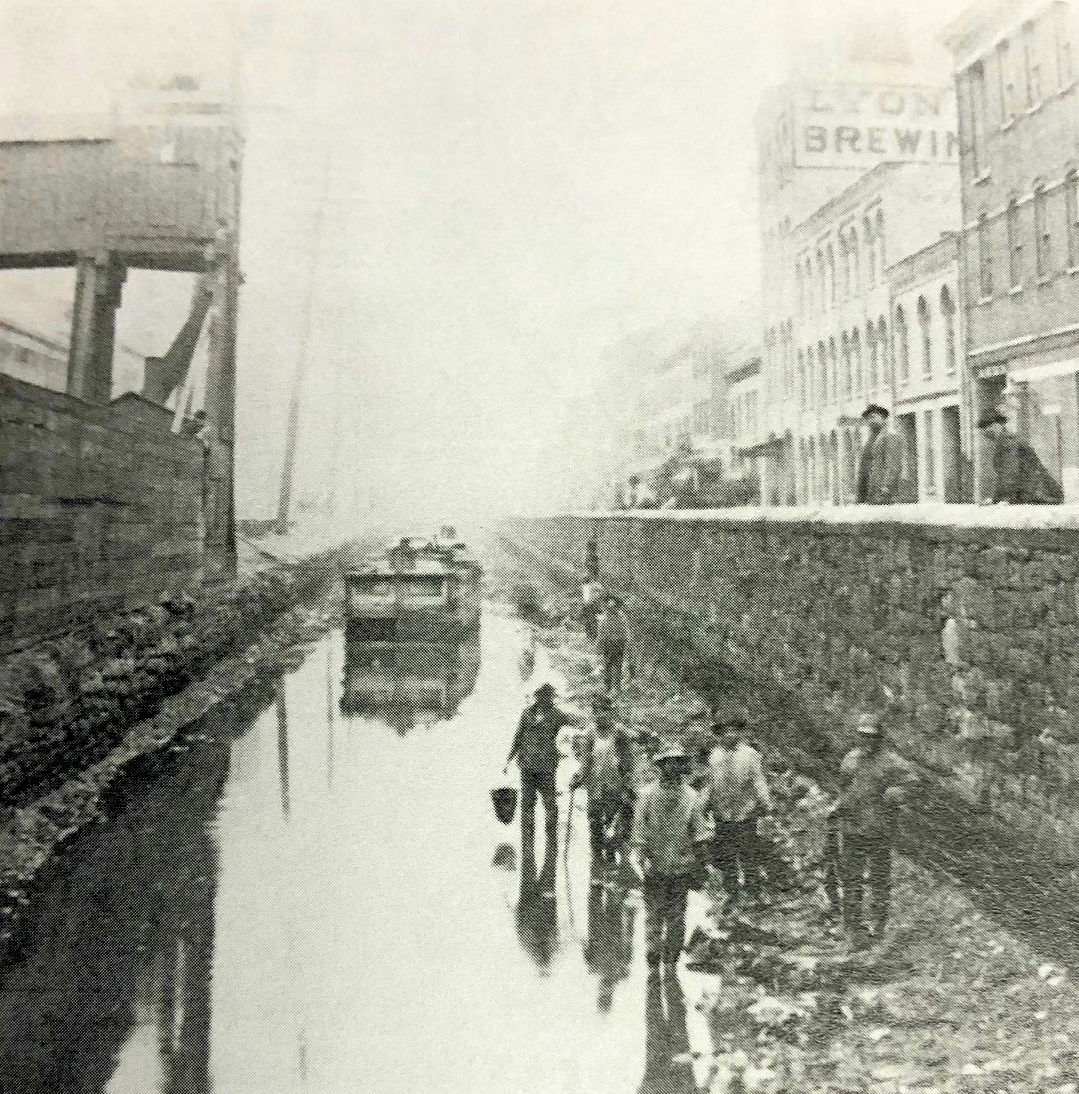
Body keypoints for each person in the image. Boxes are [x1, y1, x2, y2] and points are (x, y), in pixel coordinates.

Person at [836, 712, 917, 948]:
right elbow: (843, 787)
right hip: (852, 829)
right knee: (851, 879)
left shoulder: (891, 761)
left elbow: (914, 782)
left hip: (878, 831)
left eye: (871, 737)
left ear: (879, 738)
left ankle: (878, 926)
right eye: (862, 736)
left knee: (879, 880)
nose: (866, 741)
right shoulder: (850, 759)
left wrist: (898, 793)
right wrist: (839, 808)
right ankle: (853, 927)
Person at [629, 746, 712, 968]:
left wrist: (701, 864)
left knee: (676, 915)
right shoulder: (647, 795)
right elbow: (638, 830)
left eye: (677, 762)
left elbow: (699, 834)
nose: (672, 767)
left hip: (681, 865)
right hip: (654, 864)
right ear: (661, 766)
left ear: (682, 767)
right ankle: (653, 953)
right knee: (654, 912)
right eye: (668, 762)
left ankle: (672, 958)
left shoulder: (691, 798)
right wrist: (640, 856)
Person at [506, 683, 575, 880]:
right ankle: (527, 840)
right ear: (537, 697)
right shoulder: (527, 714)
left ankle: (551, 841)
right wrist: (509, 758)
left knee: (549, 804)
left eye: (548, 697)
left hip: (546, 767)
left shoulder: (557, 715)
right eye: (542, 696)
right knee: (527, 805)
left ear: (550, 698)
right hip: (527, 765)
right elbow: (518, 736)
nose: (545, 699)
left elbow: (570, 731)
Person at [705, 714, 773, 907]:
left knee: (748, 851)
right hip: (722, 812)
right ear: (719, 735)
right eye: (725, 732)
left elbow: (758, 780)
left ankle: (754, 889)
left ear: (739, 733)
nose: (729, 735)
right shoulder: (715, 756)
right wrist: (706, 806)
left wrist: (765, 802)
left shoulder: (750, 755)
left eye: (733, 731)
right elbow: (712, 783)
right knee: (726, 854)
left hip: (745, 811)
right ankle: (732, 892)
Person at [571, 698, 635, 868]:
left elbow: (628, 762)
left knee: (613, 821)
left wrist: (628, 782)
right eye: (597, 711)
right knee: (594, 821)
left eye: (604, 711)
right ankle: (597, 859)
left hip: (615, 784)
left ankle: (611, 854)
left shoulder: (620, 734)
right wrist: (578, 777)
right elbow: (585, 762)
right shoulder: (589, 734)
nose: (601, 715)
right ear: (593, 713)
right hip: (595, 786)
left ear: (611, 713)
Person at [977, 409, 1064, 504]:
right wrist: (995, 500)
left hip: (1041, 496)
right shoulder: (1005, 441)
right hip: (1036, 495)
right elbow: (1003, 477)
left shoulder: (1008, 442)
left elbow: (1011, 473)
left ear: (998, 425)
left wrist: (1006, 499)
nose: (985, 433)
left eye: (987, 428)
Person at [856, 404, 906, 504]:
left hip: (883, 491)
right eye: (868, 419)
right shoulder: (871, 438)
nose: (870, 421)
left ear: (883, 418)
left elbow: (893, 464)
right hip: (870, 489)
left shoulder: (890, 436)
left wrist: (887, 486)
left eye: (873, 417)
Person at [596, 595, 631, 693]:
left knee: (617, 665)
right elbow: (601, 633)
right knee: (608, 665)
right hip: (609, 643)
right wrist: (599, 645)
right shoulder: (605, 618)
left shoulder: (621, 616)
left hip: (619, 643)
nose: (611, 609)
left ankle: (617, 687)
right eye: (610, 607)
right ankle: (608, 687)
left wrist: (627, 642)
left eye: (613, 607)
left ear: (616, 607)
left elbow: (626, 631)